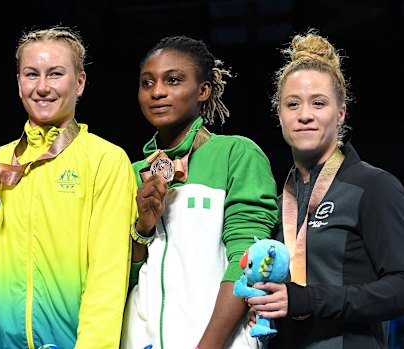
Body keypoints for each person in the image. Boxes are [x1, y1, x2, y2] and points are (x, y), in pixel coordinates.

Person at [0, 26, 138, 349]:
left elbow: (108, 275)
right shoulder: (0, 161)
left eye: (56, 74)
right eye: (31, 74)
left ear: (80, 83)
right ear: (18, 83)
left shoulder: (106, 160)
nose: (42, 87)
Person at [245, 28, 404, 348]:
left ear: (340, 112)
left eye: (318, 103)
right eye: (292, 104)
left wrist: (308, 300)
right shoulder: (278, 207)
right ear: (279, 115)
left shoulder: (373, 187)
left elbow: (400, 288)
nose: (305, 115)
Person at [120, 35, 279, 349]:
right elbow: (127, 276)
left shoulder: (236, 154)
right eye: (147, 83)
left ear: (203, 90)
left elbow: (247, 263)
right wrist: (143, 229)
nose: (158, 92)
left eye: (174, 80)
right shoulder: (130, 170)